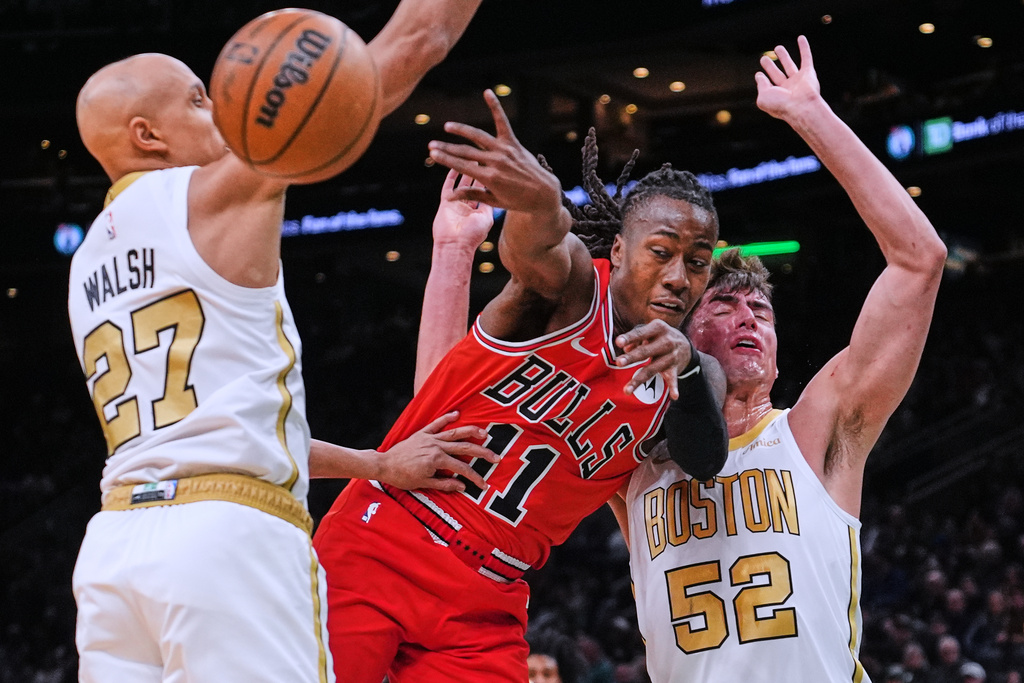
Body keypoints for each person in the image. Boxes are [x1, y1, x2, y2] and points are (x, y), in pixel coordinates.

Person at [67, 2, 488, 681]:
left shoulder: (87, 262)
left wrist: (375, 465)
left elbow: (222, 432)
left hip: (115, 552)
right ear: (148, 135)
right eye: (201, 100)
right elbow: (413, 41)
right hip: (225, 545)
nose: (223, 113)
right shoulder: (216, 197)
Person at [312, 90, 728, 682]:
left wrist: (686, 365)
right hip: (389, 539)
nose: (677, 276)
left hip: (487, 598)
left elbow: (705, 461)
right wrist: (540, 203)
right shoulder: (572, 293)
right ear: (619, 247)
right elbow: (531, 248)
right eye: (661, 252)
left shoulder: (692, 372)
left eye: (697, 262)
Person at [619, 36, 946, 681]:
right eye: (724, 307)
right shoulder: (633, 457)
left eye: (761, 312)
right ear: (681, 333)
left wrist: (810, 114)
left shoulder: (816, 429)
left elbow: (920, 260)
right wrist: (456, 252)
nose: (748, 319)